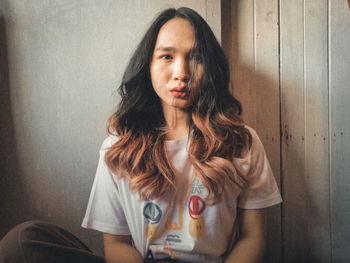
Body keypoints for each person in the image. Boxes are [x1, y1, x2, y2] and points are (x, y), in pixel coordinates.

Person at [0, 7, 282, 263]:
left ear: (211, 69)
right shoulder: (118, 146)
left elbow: (253, 238)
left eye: (195, 58)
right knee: (23, 241)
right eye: (167, 56)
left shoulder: (241, 142)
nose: (181, 73)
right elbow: (116, 244)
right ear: (148, 65)